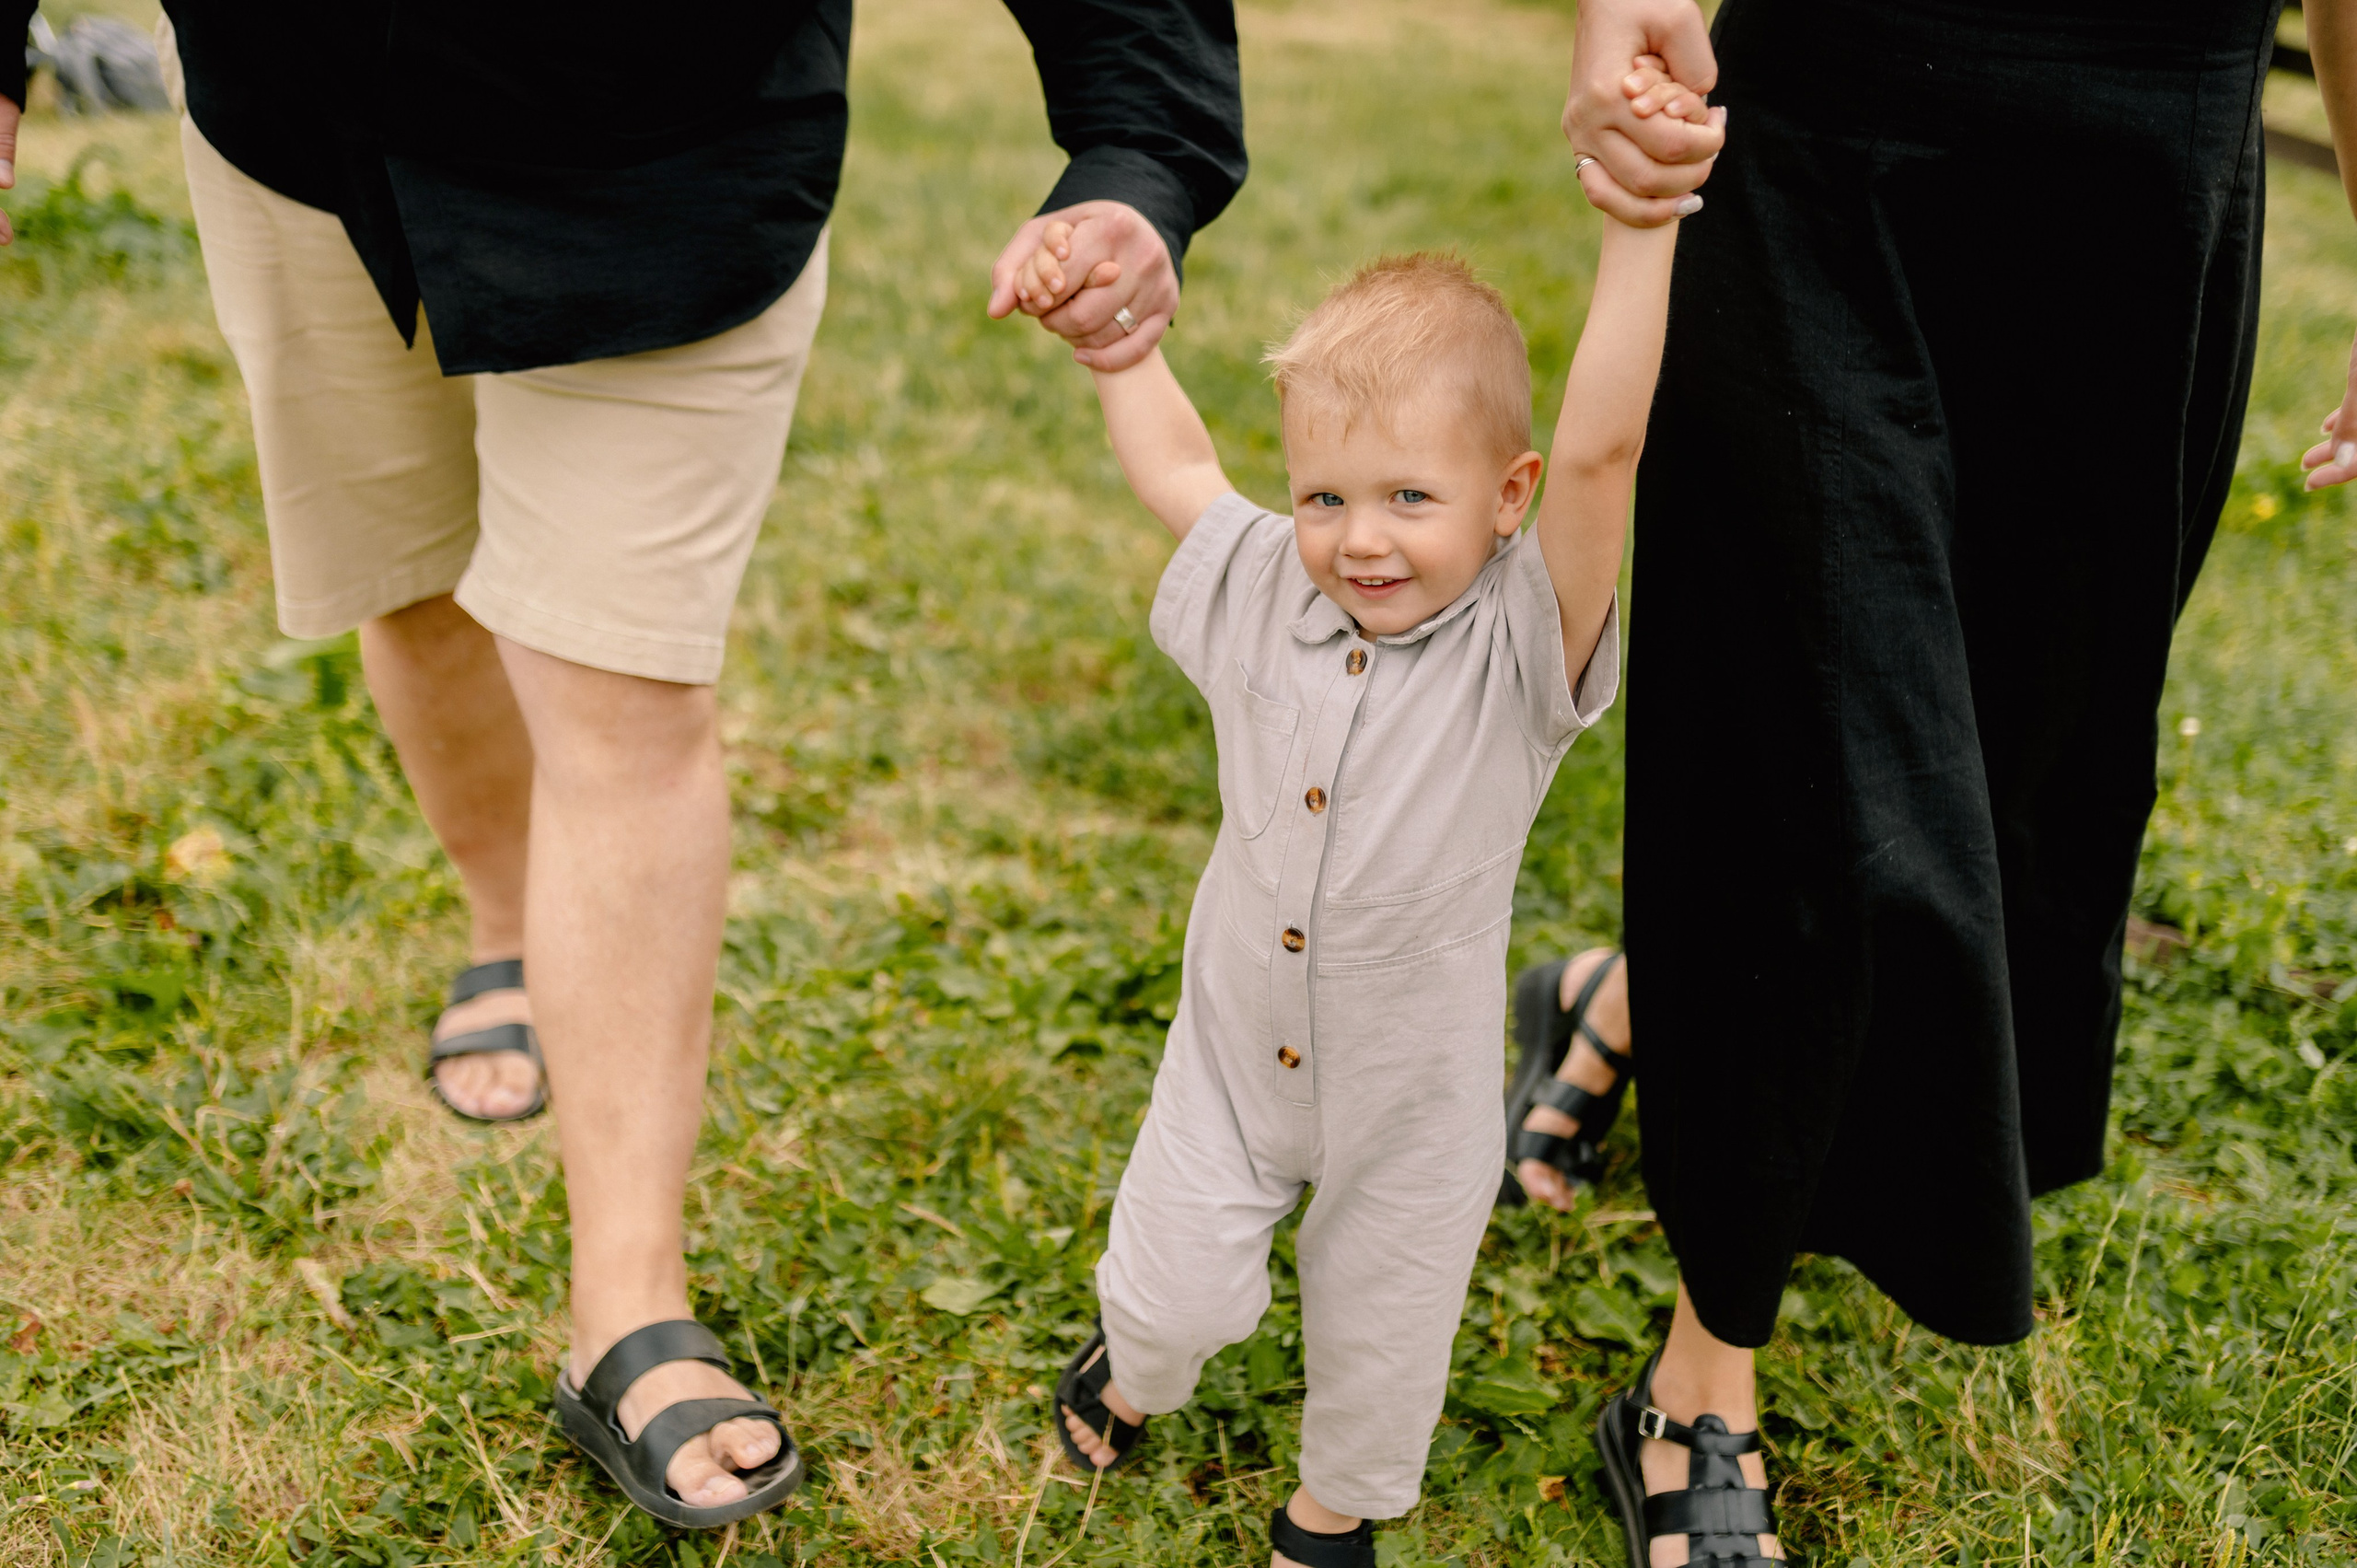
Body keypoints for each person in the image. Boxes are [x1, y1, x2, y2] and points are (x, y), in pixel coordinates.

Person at [0, 0, 1244, 1530]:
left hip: (664, 145)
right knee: (414, 581)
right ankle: (501, 932)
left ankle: (625, 1310)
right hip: (300, 120)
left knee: (623, 698)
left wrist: (1138, 144)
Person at [1503, 1, 2357, 1562]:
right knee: (1821, 766)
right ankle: (1703, 1378)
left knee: (2006, 755)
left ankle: (1627, 1002)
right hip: (1837, 108)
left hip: (2151, 173)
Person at [1026, 133, 1701, 1550]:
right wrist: (1113, 351)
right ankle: (1135, 1373)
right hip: (1228, 1062)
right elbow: (1180, 473)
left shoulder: (1523, 647)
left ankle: (1329, 1517)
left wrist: (1642, 228)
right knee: (1164, 1305)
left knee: (1385, 1346)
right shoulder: (1266, 587)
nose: (1359, 539)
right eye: (1326, 495)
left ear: (1506, 502)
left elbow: (1604, 449)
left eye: (1411, 497)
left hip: (1411, 1111)